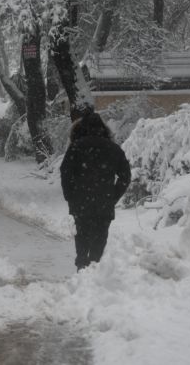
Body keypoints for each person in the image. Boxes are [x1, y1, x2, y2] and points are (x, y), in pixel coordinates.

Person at [60, 112, 131, 271]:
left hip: (81, 203)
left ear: (81, 128)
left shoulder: (75, 147)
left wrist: (70, 196)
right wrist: (113, 196)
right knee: (100, 236)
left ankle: (82, 264)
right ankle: (95, 266)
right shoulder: (113, 149)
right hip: (104, 203)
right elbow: (125, 176)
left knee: (82, 234)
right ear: (103, 129)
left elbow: (65, 173)